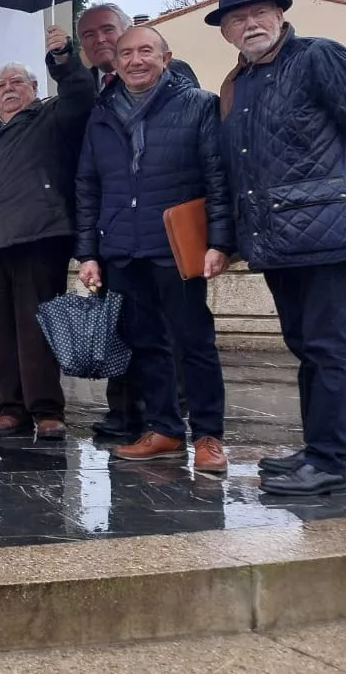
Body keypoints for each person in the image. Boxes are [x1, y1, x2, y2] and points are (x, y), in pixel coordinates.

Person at [213, 0, 346, 496]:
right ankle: (318, 448)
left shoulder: (318, 57)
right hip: (274, 238)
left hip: (325, 232)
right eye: (238, 19)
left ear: (279, 16)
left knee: (327, 348)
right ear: (226, 32)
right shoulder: (239, 83)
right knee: (303, 345)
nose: (251, 24)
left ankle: (332, 461)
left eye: (259, 14)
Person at [75, 26, 233, 474]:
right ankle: (164, 428)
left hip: (177, 247)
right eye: (126, 53)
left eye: (146, 51)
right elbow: (87, 185)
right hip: (123, 248)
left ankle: (208, 437)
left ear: (166, 57)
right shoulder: (102, 113)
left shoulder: (199, 104)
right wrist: (88, 252)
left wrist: (220, 241)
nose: (135, 60)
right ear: (116, 62)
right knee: (146, 344)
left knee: (194, 342)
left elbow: (218, 177)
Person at [51, 5, 198, 440]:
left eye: (107, 30)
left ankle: (167, 413)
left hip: (162, 229)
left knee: (168, 330)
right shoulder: (94, 88)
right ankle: (125, 410)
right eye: (88, 35)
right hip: (112, 226)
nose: (99, 40)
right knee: (119, 323)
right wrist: (61, 61)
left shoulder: (173, 76)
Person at [0, 45, 93, 441]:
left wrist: (64, 60)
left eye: (17, 82)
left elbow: (80, 96)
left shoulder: (51, 117)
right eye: (1, 85)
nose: (8, 88)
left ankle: (47, 411)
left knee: (36, 328)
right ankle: (10, 409)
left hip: (36, 237)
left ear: (34, 88)